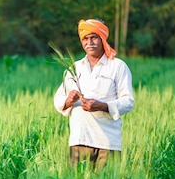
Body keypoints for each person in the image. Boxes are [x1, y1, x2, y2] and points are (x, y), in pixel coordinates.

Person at [53, 18, 134, 170]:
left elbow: (128, 102)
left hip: (108, 143)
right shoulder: (75, 68)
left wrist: (103, 106)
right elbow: (58, 99)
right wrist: (69, 100)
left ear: (102, 39)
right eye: (85, 39)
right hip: (80, 140)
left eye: (94, 37)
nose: (89, 42)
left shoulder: (118, 66)